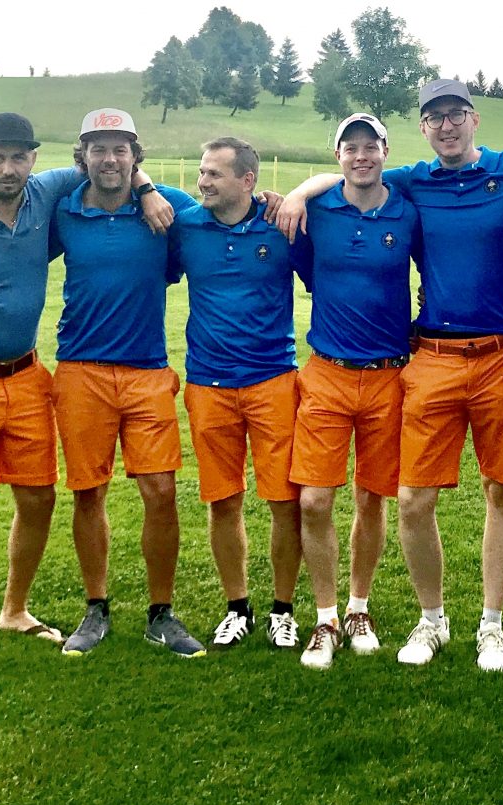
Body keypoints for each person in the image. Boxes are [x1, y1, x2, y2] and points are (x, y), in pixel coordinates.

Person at [278, 81, 503, 673]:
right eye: (434, 118)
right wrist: (298, 191)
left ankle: (491, 625)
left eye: (455, 115)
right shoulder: (412, 180)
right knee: (412, 498)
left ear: (474, 120)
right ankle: (433, 619)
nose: (446, 126)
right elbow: (352, 177)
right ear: (422, 129)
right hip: (433, 358)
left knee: (502, 491)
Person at [0, 112, 171, 674]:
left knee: (39, 499)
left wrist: (145, 189)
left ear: (35, 160)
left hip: (27, 379)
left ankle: (14, 610)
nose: (9, 168)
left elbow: (112, 165)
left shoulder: (47, 194)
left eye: (19, 157)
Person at [50, 108, 204, 658]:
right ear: (83, 155)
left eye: (121, 149)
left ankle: (161, 613)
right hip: (81, 371)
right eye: (98, 148)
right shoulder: (62, 211)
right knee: (88, 491)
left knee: (160, 492)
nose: (109, 159)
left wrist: (150, 191)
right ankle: (96, 608)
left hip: (146, 371)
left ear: (136, 155)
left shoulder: (168, 211)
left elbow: (229, 211)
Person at [290, 114, 420, 670]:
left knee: (373, 496)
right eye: (351, 147)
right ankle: (324, 617)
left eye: (371, 146)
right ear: (337, 154)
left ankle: (358, 607)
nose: (361, 155)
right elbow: (307, 272)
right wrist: (299, 190)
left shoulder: (407, 211)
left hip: (391, 374)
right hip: (328, 372)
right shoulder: (315, 211)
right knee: (314, 499)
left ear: (387, 151)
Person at [174, 137, 304, 652]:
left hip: (273, 379)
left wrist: (293, 197)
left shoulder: (282, 225)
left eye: (214, 174)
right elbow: (145, 196)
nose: (202, 182)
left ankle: (283, 609)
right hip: (208, 384)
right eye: (202, 172)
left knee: (283, 501)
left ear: (247, 181)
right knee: (222, 499)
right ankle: (237, 607)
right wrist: (142, 186)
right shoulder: (186, 225)